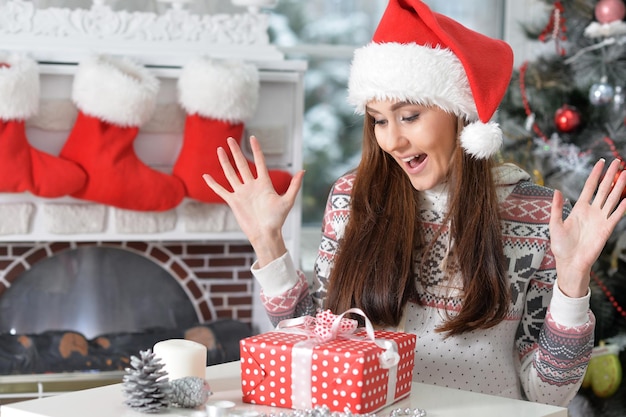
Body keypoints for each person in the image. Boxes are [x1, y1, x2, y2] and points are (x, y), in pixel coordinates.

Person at [202, 0, 626, 408]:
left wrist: (573, 283)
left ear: (459, 112)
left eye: (409, 116)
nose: (391, 140)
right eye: (379, 120)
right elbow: (318, 341)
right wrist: (268, 243)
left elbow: (548, 396)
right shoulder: (353, 198)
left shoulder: (537, 218)